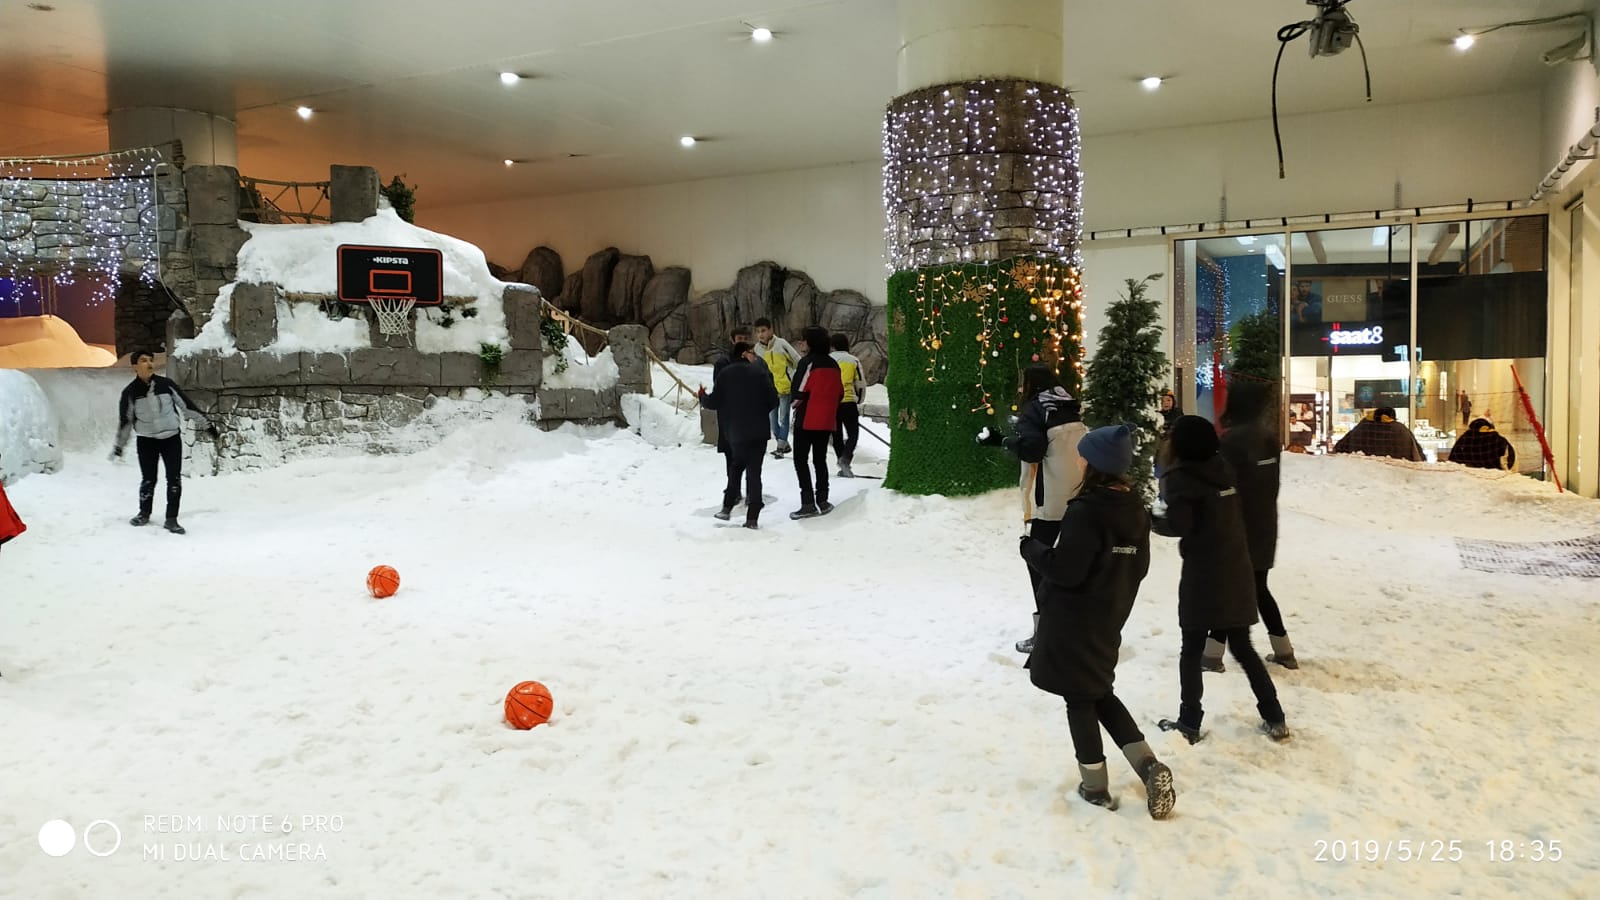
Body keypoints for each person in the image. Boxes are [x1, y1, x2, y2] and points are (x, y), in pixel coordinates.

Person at [1020, 424, 1176, 819]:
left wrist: (1032, 549)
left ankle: (1095, 788)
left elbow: (1067, 570)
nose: (1078, 458)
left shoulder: (1087, 511)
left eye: (1083, 453)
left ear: (1095, 462)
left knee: (1079, 698)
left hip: (1073, 620)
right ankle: (1148, 765)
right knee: (1098, 691)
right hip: (1109, 616)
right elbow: (1138, 567)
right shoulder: (1133, 509)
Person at [1154, 415, 1290, 744]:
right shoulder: (1224, 469)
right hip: (1236, 568)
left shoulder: (1180, 479)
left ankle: (1189, 721)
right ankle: (1275, 716)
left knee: (1191, 649)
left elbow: (1179, 525)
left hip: (1203, 574)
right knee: (1243, 648)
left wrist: (1152, 518)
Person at [981, 365, 1087, 654]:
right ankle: (1074, 627)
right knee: (1071, 564)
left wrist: (1003, 441)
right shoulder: (1069, 404)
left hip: (1048, 499)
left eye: (1022, 383)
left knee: (1039, 564)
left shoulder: (1036, 409)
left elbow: (1032, 450)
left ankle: (1047, 633)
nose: (1020, 388)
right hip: (1077, 495)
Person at [1215, 381, 1297, 671]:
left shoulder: (1231, 441)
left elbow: (1224, 485)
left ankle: (1212, 654)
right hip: (1264, 523)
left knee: (1229, 587)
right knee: (1257, 587)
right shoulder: (1269, 438)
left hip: (1236, 525)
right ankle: (1283, 648)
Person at [112, 351, 218, 535]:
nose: (149, 363)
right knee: (148, 479)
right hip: (147, 441)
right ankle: (144, 513)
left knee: (174, 479)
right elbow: (126, 421)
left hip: (171, 440)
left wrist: (207, 426)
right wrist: (119, 446)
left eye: (151, 360)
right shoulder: (130, 392)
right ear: (135, 366)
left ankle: (171, 519)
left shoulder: (166, 385)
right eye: (143, 361)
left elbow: (187, 407)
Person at [698, 342, 778, 529]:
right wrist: (761, 411)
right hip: (759, 430)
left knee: (736, 467)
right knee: (754, 472)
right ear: (743, 354)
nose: (754, 356)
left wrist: (702, 396)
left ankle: (727, 507)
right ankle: (752, 518)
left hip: (736, 431)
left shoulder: (725, 374)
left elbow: (714, 402)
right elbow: (773, 400)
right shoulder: (760, 372)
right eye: (751, 352)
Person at [788, 325, 843, 519]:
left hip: (807, 419)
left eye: (803, 339)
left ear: (810, 342)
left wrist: (795, 404)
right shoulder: (833, 364)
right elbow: (840, 393)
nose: (801, 343)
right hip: (827, 420)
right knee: (820, 460)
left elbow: (798, 392)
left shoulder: (807, 363)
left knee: (800, 460)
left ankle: (808, 502)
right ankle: (823, 499)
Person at [707, 325, 754, 499]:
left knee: (750, 456)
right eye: (739, 339)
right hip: (729, 416)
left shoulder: (754, 361)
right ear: (732, 340)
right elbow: (719, 389)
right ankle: (734, 489)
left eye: (745, 339)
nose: (742, 342)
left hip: (749, 416)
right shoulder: (723, 362)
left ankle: (752, 491)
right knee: (731, 454)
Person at [753, 318, 801, 458]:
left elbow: (797, 361)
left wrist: (792, 377)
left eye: (763, 330)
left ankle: (780, 448)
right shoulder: (756, 349)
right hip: (768, 391)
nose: (761, 334)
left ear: (770, 330)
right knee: (773, 422)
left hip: (785, 388)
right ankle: (784, 444)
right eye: (758, 332)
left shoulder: (781, 344)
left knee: (783, 418)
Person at [829, 333, 866, 478]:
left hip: (832, 403)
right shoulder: (853, 360)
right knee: (853, 434)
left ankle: (842, 462)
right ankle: (845, 459)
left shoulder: (828, 360)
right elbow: (860, 383)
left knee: (836, 435)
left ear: (832, 346)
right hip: (848, 401)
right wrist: (859, 400)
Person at [1332, 406, 1423, 462]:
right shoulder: (1401, 429)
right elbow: (1417, 455)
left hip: (1362, 474)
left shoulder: (1362, 427)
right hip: (1397, 474)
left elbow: (1339, 448)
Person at [1448, 417, 1517, 470]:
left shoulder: (1465, 438)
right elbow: (1510, 457)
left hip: (1467, 474)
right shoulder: (1497, 439)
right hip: (1495, 474)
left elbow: (1454, 459)